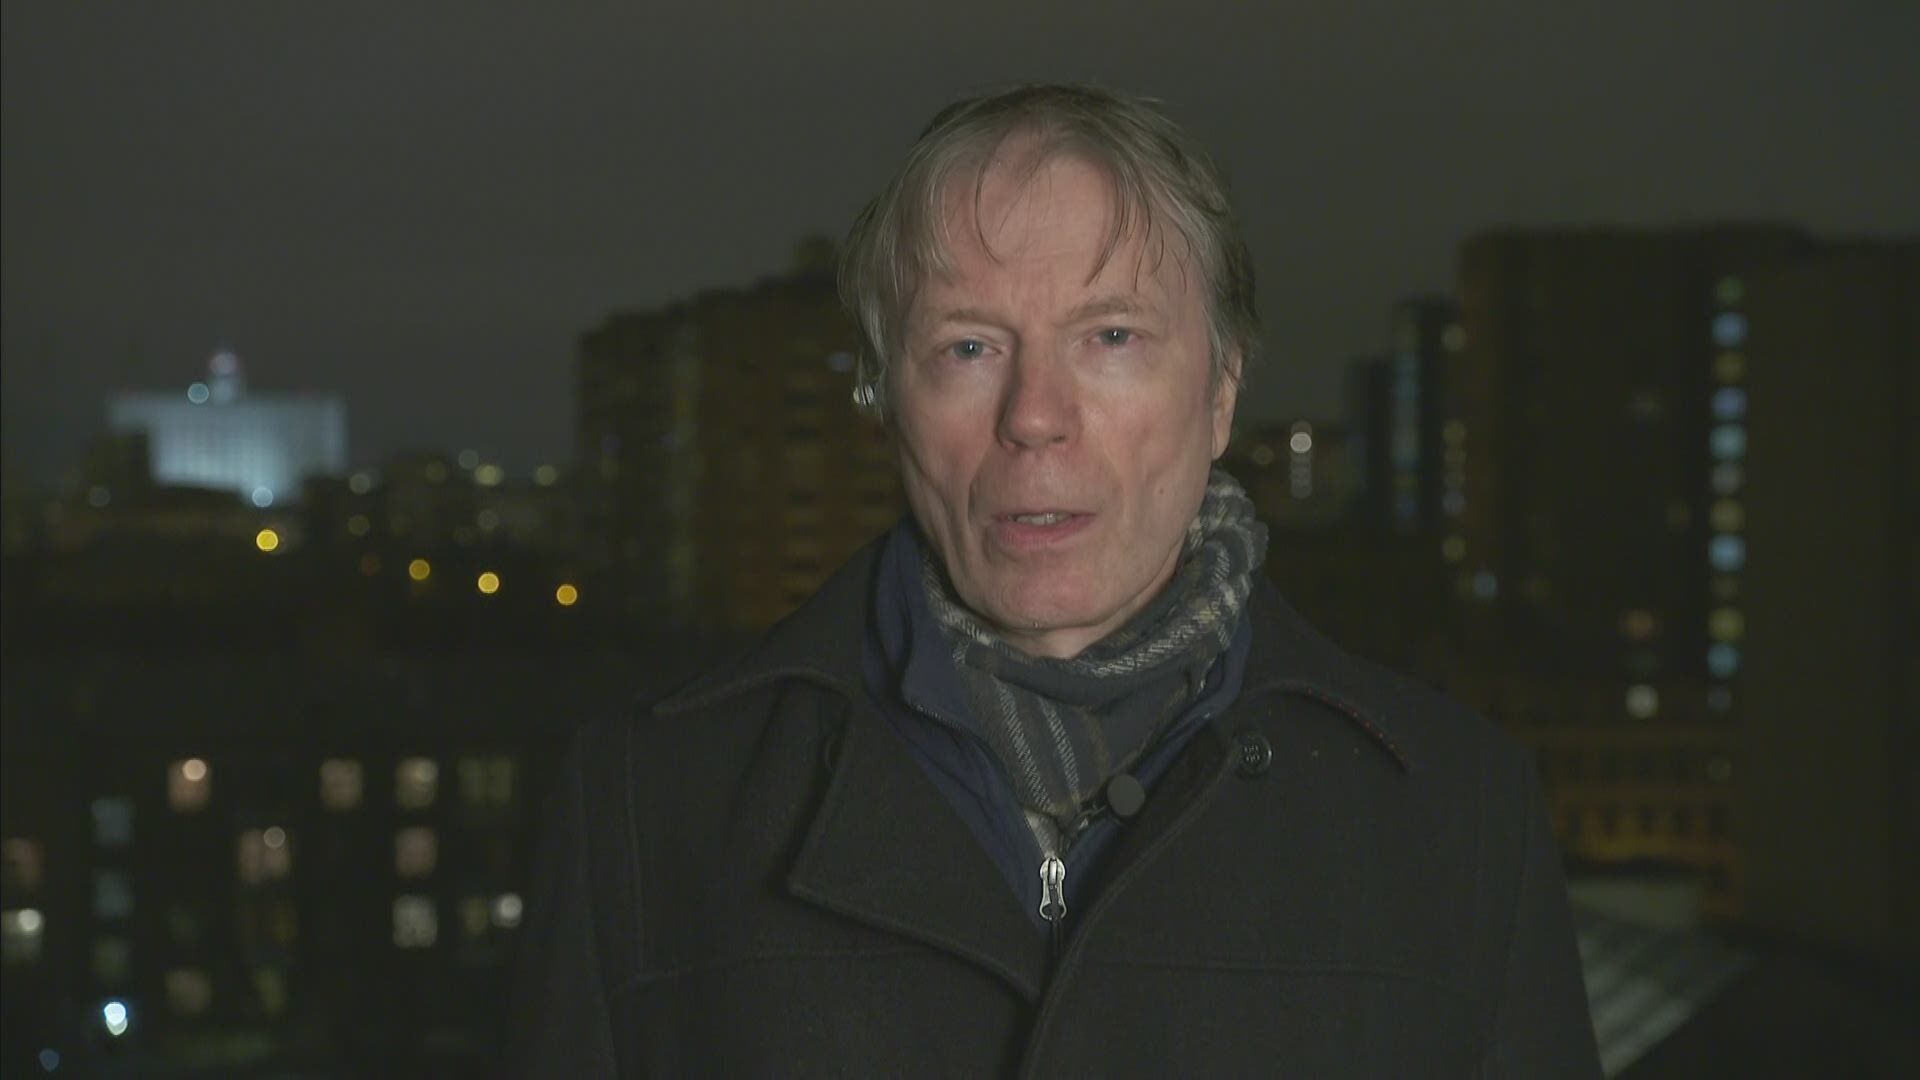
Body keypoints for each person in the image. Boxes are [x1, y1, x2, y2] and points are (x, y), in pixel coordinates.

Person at [508, 84, 1601, 1076]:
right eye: (968, 348)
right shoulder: (647, 810)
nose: (1035, 416)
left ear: (1221, 392)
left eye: (1111, 336)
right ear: (887, 404)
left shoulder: (1460, 820)